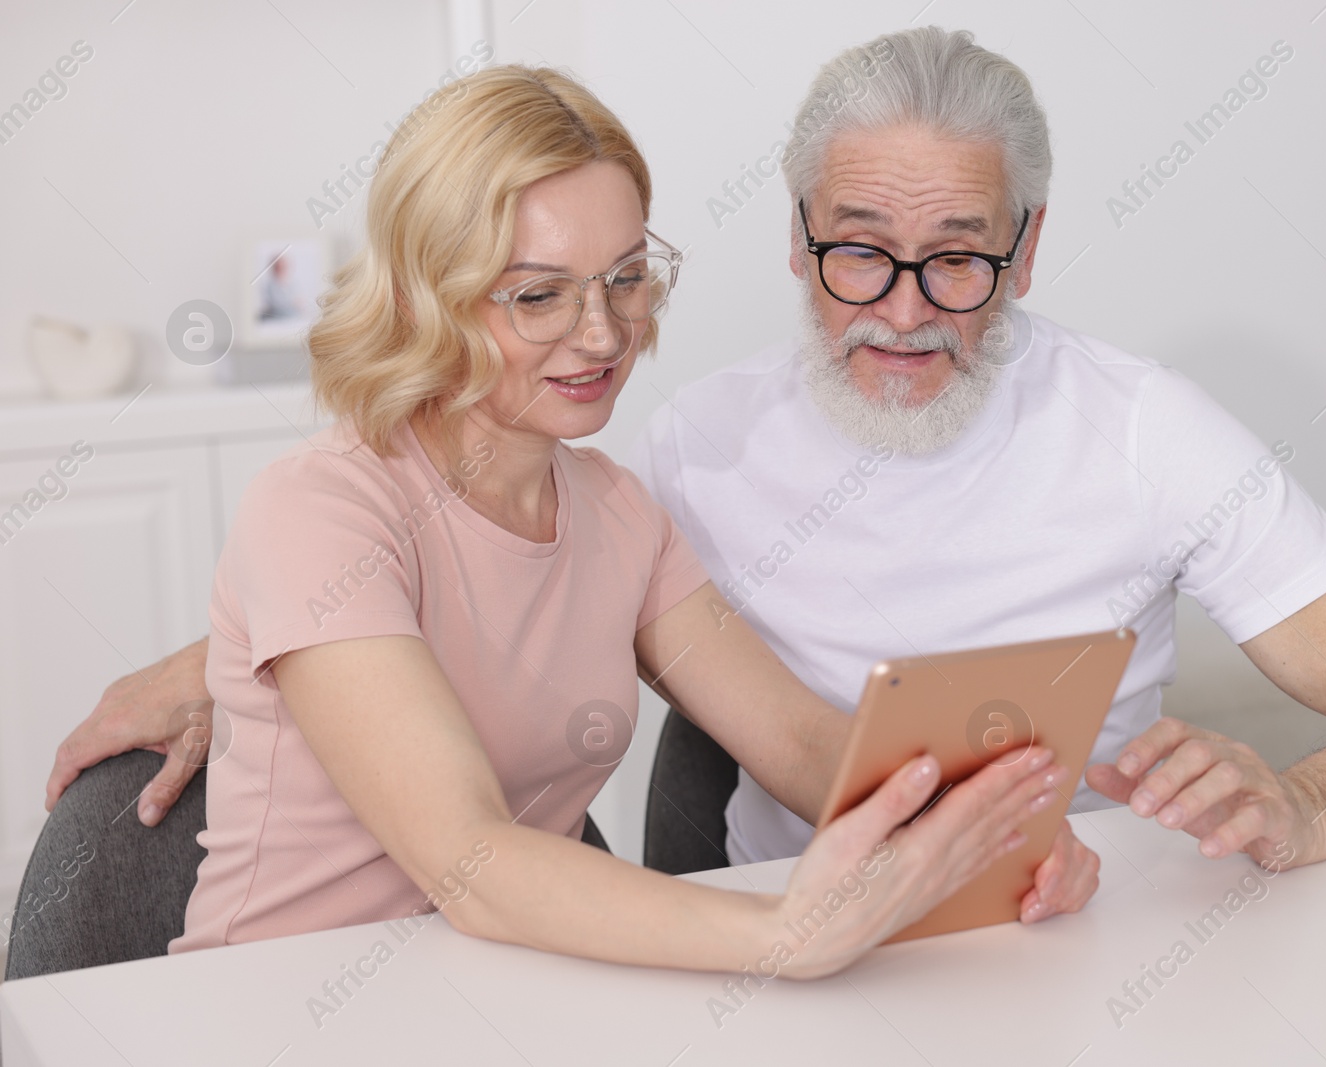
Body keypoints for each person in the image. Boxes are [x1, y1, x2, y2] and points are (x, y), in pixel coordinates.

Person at [53, 27, 1326, 890]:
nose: (900, 311)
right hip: (788, 923)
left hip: (1077, 915)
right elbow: (460, 544)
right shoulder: (686, 443)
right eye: (858, 254)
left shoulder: (1148, 428)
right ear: (796, 233)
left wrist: (1314, 802)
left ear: (1029, 247)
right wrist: (228, 659)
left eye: (956, 263)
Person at [46, 63, 1094, 976]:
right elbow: (471, 858)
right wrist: (783, 931)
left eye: (626, 278)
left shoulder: (619, 513)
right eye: (537, 296)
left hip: (520, 999)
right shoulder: (320, 505)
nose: (603, 334)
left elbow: (805, 742)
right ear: (429, 297)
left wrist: (1008, 828)